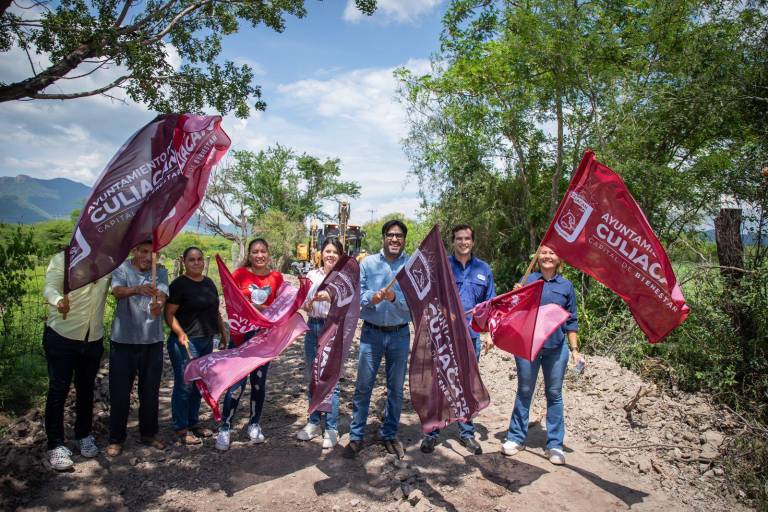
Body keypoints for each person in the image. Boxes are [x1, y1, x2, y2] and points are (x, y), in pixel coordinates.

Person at [502, 245, 584, 465]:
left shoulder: (566, 286)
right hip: (527, 347)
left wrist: (574, 350)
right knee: (525, 390)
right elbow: (514, 312)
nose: (548, 256)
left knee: (554, 394)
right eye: (544, 253)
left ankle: (555, 445)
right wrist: (515, 295)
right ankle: (515, 438)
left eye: (552, 253)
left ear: (559, 259)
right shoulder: (528, 279)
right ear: (537, 257)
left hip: (556, 349)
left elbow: (571, 321)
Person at [420, 224, 495, 456]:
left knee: (466, 385)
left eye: (467, 238)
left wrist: (490, 331)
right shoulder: (442, 267)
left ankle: (466, 432)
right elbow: (431, 297)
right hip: (443, 335)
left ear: (473, 241)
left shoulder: (484, 269)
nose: (463, 242)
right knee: (437, 384)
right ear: (452, 242)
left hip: (470, 338)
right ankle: (432, 432)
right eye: (459, 238)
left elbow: (490, 304)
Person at [343, 220, 411, 459]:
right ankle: (356, 436)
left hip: (400, 335)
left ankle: (390, 434)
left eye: (399, 236)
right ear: (383, 237)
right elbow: (357, 295)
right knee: (363, 387)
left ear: (404, 239)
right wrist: (372, 297)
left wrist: (393, 299)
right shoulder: (368, 263)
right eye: (391, 235)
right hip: (371, 334)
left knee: (395, 389)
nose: (395, 239)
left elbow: (415, 304)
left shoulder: (410, 267)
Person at [41, 251, 111, 470]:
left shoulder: (106, 262)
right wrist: (58, 300)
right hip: (62, 335)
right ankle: (55, 444)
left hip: (93, 338)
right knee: (58, 389)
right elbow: (49, 288)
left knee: (86, 389)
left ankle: (84, 434)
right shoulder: (62, 260)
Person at [215, 238, 284, 451]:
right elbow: (231, 301)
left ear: (268, 254)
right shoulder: (239, 275)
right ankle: (225, 428)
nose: (259, 255)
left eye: (263, 251)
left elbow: (283, 304)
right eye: (255, 251)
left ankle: (254, 424)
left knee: (258, 383)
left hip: (264, 339)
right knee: (237, 384)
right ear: (250, 254)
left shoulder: (276, 278)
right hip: (241, 337)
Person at [107, 240, 169, 456]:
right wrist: (136, 289)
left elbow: (161, 294)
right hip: (123, 341)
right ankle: (116, 438)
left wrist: (158, 306)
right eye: (144, 251)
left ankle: (149, 433)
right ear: (134, 250)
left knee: (150, 391)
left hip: (152, 341)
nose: (148, 257)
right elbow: (116, 291)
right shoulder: (122, 269)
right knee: (120, 392)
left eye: (153, 254)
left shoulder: (160, 271)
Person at [165, 246, 228, 445]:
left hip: (207, 340)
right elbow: (169, 314)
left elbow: (215, 311)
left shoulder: (209, 283)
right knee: (184, 385)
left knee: (199, 385)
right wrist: (180, 333)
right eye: (191, 259)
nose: (196, 263)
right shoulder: (179, 285)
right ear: (184, 261)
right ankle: (180, 428)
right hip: (185, 343)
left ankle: (193, 423)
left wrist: (222, 333)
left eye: (199, 259)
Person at [296, 238, 344, 449]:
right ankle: (313, 422)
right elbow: (304, 305)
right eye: (327, 251)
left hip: (333, 328)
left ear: (340, 255)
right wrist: (307, 304)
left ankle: (331, 427)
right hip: (313, 327)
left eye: (334, 252)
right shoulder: (311, 276)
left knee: (332, 379)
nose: (330, 255)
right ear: (321, 253)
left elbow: (348, 306)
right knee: (313, 377)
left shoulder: (344, 279)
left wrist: (331, 297)